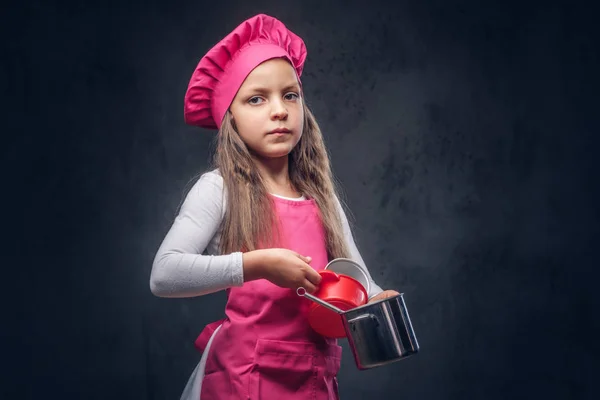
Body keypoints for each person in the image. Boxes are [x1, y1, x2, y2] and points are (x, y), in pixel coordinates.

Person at [149, 13, 399, 400]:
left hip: (313, 382)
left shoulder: (322, 198)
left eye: (290, 95)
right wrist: (256, 264)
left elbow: (358, 280)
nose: (279, 110)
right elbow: (163, 275)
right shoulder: (219, 189)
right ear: (229, 117)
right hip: (242, 382)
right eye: (256, 99)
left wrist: (378, 296)